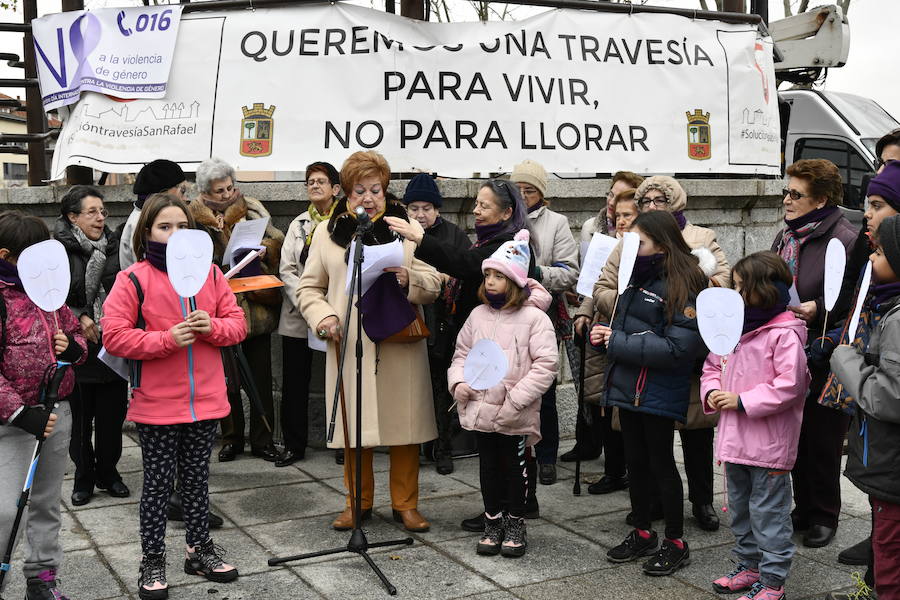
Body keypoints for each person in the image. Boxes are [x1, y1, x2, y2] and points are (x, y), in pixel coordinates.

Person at [102, 194, 247, 599]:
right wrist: (165, 339)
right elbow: (114, 335)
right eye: (165, 227)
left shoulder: (212, 275)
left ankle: (199, 550)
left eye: (183, 226)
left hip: (207, 400)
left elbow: (237, 324)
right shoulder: (132, 279)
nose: (176, 234)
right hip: (157, 405)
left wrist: (212, 327)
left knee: (198, 482)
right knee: (158, 487)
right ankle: (152, 559)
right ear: (147, 232)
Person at [298, 150, 441, 532]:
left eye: (376, 189)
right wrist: (324, 317)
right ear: (346, 193)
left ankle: (405, 504)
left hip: (399, 341)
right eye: (360, 189)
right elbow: (309, 287)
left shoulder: (405, 229)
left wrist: (411, 281)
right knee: (353, 429)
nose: (369, 197)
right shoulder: (329, 235)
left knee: (405, 426)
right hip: (351, 343)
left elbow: (435, 280)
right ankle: (357, 503)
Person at [385, 179, 539, 529]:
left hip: (503, 350)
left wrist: (422, 239)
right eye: (477, 204)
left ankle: (513, 507)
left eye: (484, 205)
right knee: (493, 434)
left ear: (507, 212)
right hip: (487, 342)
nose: (477, 210)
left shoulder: (508, 243)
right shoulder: (490, 238)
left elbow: (467, 265)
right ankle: (505, 505)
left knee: (506, 435)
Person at [589, 175, 729, 531]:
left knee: (694, 439)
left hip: (679, 364)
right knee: (642, 452)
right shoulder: (631, 245)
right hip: (636, 364)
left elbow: (720, 288)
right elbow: (604, 286)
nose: (651, 206)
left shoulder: (701, 240)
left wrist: (674, 298)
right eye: (645, 201)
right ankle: (648, 510)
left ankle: (700, 504)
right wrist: (624, 309)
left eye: (658, 200)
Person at [590, 210, 707, 576]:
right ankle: (642, 532)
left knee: (661, 465)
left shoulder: (685, 283)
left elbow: (679, 348)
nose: (632, 246)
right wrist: (604, 336)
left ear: (662, 243)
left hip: (658, 390)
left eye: (639, 241)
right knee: (636, 464)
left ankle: (675, 541)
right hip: (629, 387)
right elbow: (625, 328)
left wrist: (617, 342)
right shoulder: (633, 277)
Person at [701, 251, 810, 600]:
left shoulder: (784, 334)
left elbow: (790, 385)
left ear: (764, 290)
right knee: (741, 510)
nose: (735, 293)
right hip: (735, 444)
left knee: (770, 515)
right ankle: (749, 566)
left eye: (740, 286)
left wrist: (742, 401)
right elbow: (711, 367)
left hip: (769, 446)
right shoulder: (733, 330)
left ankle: (773, 580)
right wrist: (714, 391)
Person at [448, 230, 558, 558]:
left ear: (515, 281)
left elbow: (545, 365)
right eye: (488, 275)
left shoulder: (534, 318)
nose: (491, 281)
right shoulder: (478, 315)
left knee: (515, 468)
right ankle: (492, 521)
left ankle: (515, 522)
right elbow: (461, 356)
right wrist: (460, 384)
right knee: (488, 468)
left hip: (513, 411)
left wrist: (516, 399)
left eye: (499, 275)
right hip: (481, 409)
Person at [0, 211, 87, 600]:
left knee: (47, 503)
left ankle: (42, 578)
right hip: (14, 422)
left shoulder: (50, 295)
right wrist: (19, 412)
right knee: (5, 508)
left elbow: (78, 341)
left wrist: (74, 347)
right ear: (8, 255)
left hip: (57, 412)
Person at [771, 159, 856, 548]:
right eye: (786, 192)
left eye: (795, 194)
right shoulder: (787, 236)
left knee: (822, 437)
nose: (786, 200)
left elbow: (855, 299)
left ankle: (824, 514)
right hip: (789, 348)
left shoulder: (845, 238)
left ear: (821, 199)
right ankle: (802, 507)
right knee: (796, 435)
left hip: (825, 349)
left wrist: (817, 307)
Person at [189, 157, 284, 463]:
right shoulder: (191, 217)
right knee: (225, 381)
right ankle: (231, 438)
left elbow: (276, 240)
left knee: (260, 378)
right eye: (220, 191)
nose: (228, 194)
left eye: (230, 187)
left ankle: (263, 439)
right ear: (205, 194)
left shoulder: (253, 207)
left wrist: (264, 248)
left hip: (253, 306)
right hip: (217, 310)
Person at [829, 215, 900, 600]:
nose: (873, 258)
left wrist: (846, 361)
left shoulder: (898, 318)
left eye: (883, 251)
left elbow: (889, 398)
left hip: (893, 464)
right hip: (890, 462)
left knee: (889, 556)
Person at [55, 185, 130, 507]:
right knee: (81, 422)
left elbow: (127, 289)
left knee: (113, 419)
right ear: (73, 217)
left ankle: (109, 473)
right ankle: (84, 476)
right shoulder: (58, 250)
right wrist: (81, 317)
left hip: (112, 343)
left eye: (103, 211)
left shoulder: (115, 247)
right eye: (92, 212)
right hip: (78, 348)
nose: (100, 218)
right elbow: (51, 297)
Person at [510, 159, 579, 486]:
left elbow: (569, 272)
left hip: (543, 316)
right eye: (518, 189)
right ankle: (518, 453)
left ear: (542, 193)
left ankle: (547, 456)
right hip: (507, 315)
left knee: (545, 389)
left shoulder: (557, 223)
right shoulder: (503, 216)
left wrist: (537, 273)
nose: (523, 196)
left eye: (530, 190)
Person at [572, 186, 641, 494]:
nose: (622, 220)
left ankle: (630, 469)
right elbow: (594, 284)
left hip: (632, 333)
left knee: (627, 407)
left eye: (628, 215)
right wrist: (584, 312)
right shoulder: (610, 245)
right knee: (606, 401)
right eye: (619, 215)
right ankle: (614, 471)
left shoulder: (647, 248)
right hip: (603, 326)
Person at [401, 173, 471, 475]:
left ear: (437, 209)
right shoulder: (398, 234)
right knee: (412, 391)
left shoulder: (453, 235)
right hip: (408, 323)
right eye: (414, 208)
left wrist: (446, 280)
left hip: (445, 325)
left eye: (426, 208)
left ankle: (443, 449)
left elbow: (469, 271)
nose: (420, 214)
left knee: (443, 390)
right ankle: (411, 447)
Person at [276, 161, 341, 467]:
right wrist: (307, 303)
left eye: (321, 181)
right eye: (310, 182)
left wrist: (328, 306)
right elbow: (287, 269)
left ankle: (344, 441)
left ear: (336, 188)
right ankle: (293, 444)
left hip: (338, 313)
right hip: (298, 314)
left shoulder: (347, 222)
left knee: (341, 378)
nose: (314, 186)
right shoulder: (298, 224)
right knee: (294, 382)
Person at [119, 159, 188, 270]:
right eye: (182, 191)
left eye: (182, 226)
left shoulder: (142, 215)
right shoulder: (141, 221)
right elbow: (146, 274)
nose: (185, 199)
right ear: (165, 192)